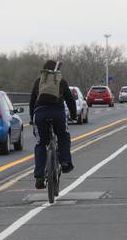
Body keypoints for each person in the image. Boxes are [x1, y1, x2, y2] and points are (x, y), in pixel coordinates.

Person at [29, 60, 77, 189]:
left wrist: (31, 118)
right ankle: (65, 162)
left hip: (40, 114)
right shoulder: (61, 81)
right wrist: (73, 115)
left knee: (40, 143)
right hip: (58, 114)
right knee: (63, 136)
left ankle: (39, 175)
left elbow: (32, 101)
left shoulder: (39, 82)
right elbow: (70, 101)